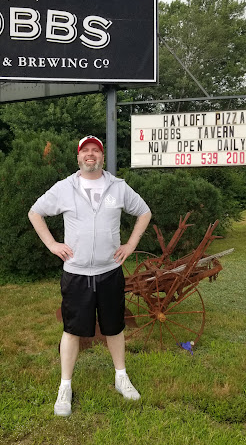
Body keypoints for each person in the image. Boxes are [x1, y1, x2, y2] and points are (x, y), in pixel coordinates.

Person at [28, 135, 151, 417]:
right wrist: (52, 244)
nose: (91, 155)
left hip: (109, 271)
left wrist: (131, 244)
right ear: (78, 157)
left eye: (96, 150)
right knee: (72, 330)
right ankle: (65, 387)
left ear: (102, 157)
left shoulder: (118, 187)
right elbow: (35, 212)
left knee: (114, 327)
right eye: (86, 151)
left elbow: (144, 212)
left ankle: (121, 377)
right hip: (76, 273)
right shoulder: (64, 188)